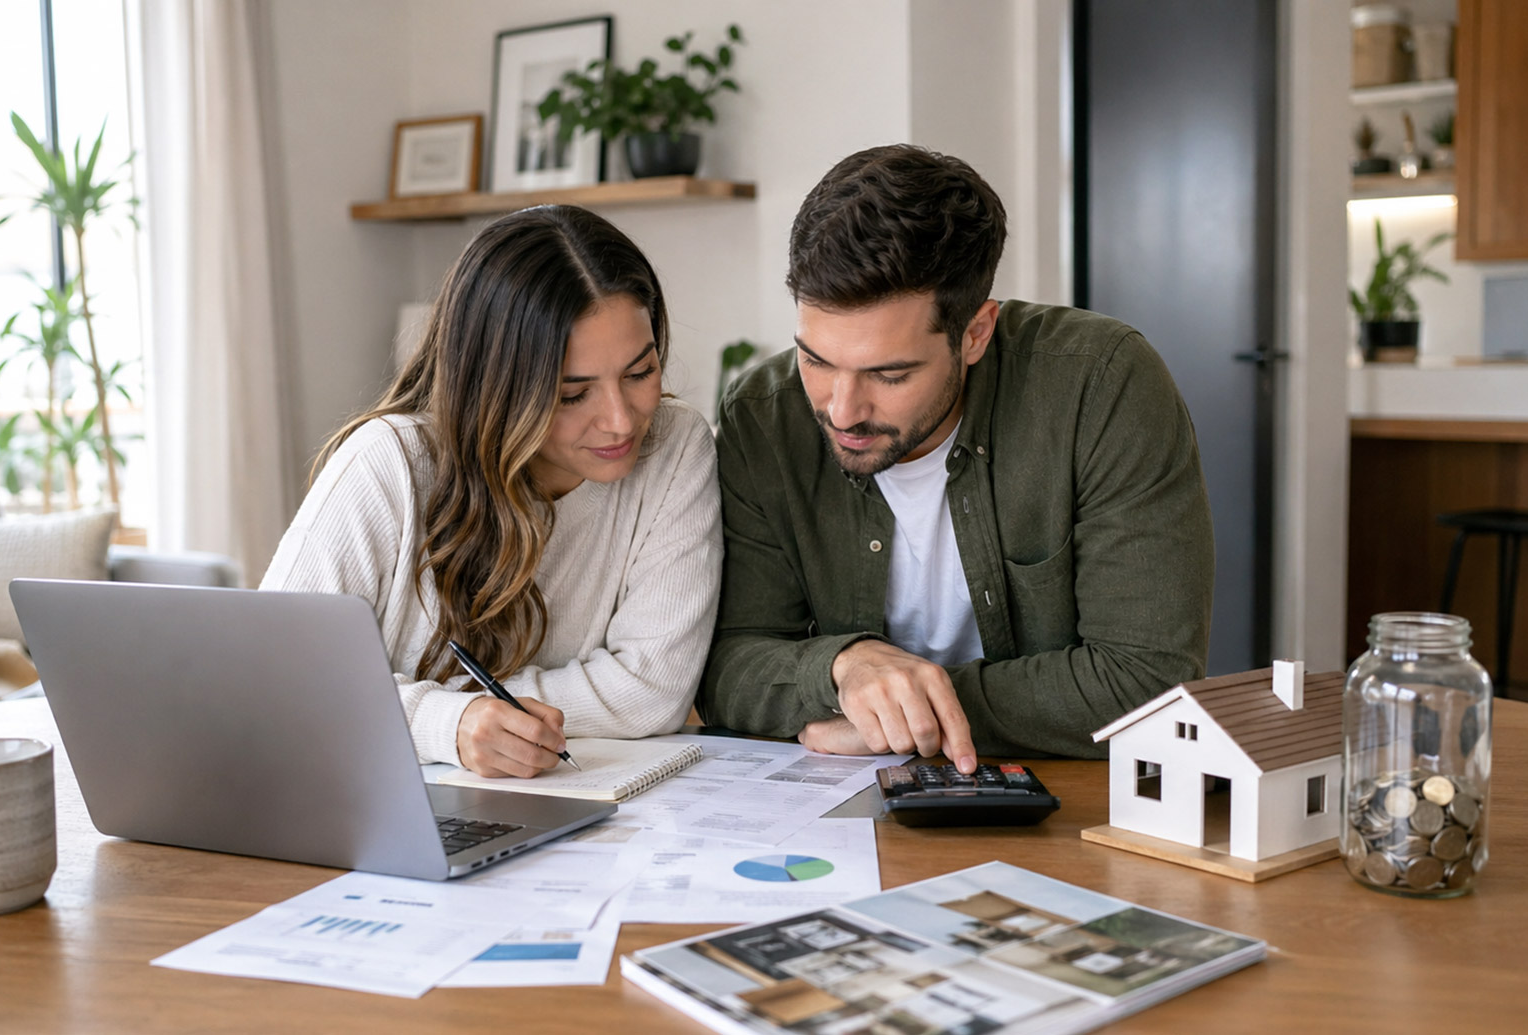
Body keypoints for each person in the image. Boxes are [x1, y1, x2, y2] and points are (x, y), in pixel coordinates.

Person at [696, 144, 1214, 769]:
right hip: (838, 816)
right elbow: (725, 666)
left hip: (1065, 809)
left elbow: (1146, 682)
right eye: (815, 360)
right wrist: (845, 669)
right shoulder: (763, 416)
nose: (841, 409)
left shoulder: (1101, 384)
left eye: (888, 374)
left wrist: (904, 717)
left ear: (975, 334)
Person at [262, 205, 721, 779]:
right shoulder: (391, 462)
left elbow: (651, 692)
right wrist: (447, 722)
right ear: (497, 388)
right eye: (572, 394)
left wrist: (408, 702)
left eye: (640, 372)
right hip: (373, 801)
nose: (621, 421)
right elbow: (273, 676)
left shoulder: (676, 448)